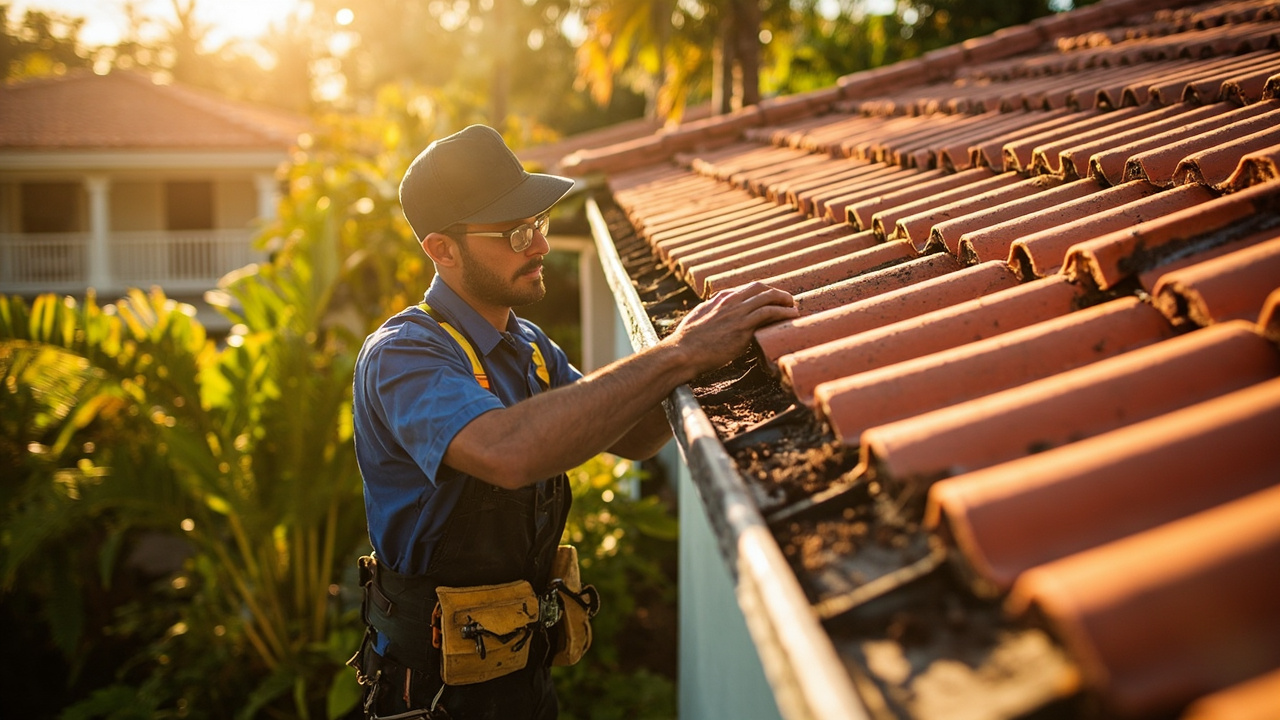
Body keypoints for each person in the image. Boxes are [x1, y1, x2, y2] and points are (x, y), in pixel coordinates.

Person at [349, 124, 797, 720]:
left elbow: (632, 436)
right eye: (515, 232)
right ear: (442, 249)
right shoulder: (404, 355)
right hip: (431, 696)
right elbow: (507, 452)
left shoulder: (529, 346)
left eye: (538, 224)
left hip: (520, 677)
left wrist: (718, 358)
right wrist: (678, 354)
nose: (539, 246)